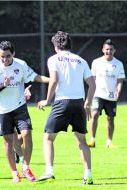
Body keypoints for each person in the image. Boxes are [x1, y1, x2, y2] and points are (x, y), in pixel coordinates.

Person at [0, 41, 49, 183]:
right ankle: (14, 172)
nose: (4, 59)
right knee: (8, 142)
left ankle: (26, 166)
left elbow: (35, 77)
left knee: (27, 134)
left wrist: (52, 80)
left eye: (7, 56)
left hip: (19, 107)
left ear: (13, 54)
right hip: (2, 110)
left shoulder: (21, 65)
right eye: (2, 56)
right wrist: (2, 85)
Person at [37, 31, 96, 185]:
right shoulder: (81, 60)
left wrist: (47, 100)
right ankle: (88, 174)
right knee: (82, 141)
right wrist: (88, 103)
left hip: (62, 103)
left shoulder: (53, 59)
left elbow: (54, 80)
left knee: (48, 138)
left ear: (56, 46)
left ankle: (49, 171)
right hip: (79, 104)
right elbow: (92, 84)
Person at [88, 39, 125, 148]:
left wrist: (118, 91)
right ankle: (92, 140)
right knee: (94, 114)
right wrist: (91, 91)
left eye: (111, 49)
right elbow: (92, 78)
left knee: (110, 118)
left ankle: (109, 142)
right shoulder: (96, 62)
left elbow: (120, 80)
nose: (109, 51)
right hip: (98, 94)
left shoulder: (118, 64)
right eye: (107, 49)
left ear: (115, 51)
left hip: (111, 96)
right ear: (103, 50)